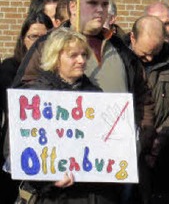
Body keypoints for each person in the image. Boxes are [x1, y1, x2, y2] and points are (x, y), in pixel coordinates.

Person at [13, 0, 156, 161]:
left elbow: (143, 100)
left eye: (104, 4)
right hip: (61, 161)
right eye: (93, 3)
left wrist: (140, 143)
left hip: (114, 163)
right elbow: (23, 98)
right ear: (73, 6)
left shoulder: (121, 49)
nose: (100, 10)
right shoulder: (47, 44)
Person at [8, 28, 120, 203]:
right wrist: (48, 180)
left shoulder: (96, 95)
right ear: (56, 58)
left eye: (84, 54)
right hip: (51, 196)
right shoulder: (32, 98)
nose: (81, 60)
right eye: (73, 55)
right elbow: (14, 149)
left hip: (92, 195)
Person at [128, 16, 169, 203]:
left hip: (162, 151)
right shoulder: (120, 59)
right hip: (126, 148)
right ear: (132, 38)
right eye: (145, 53)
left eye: (156, 51)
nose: (149, 58)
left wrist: (160, 138)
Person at [0, 12, 54, 202]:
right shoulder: (10, 68)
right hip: (17, 144)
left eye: (45, 37)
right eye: (33, 37)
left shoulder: (57, 71)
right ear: (23, 39)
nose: (39, 42)